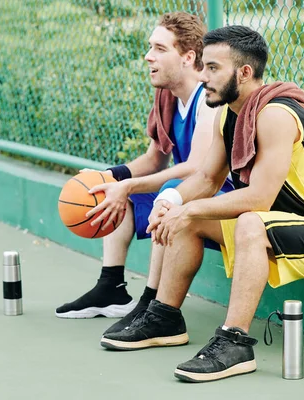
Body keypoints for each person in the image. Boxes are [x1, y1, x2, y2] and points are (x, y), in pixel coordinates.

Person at [100, 25, 304, 383]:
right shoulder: (230, 114)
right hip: (283, 223)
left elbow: (259, 198)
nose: (202, 76)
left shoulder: (275, 115)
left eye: (213, 68)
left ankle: (235, 343)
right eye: (203, 66)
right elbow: (208, 178)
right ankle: (165, 318)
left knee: (247, 221)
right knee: (191, 220)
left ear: (244, 73)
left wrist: (191, 208)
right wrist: (173, 200)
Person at [55, 12, 234, 324]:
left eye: (160, 49)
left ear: (188, 57)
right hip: (187, 193)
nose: (148, 56)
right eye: (150, 47)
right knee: (115, 193)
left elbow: (197, 169)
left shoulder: (207, 100)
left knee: (167, 192)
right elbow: (154, 159)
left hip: (222, 196)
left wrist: (131, 184)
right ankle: (111, 287)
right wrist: (111, 177)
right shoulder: (166, 96)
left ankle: (151, 302)